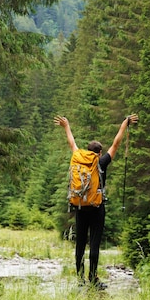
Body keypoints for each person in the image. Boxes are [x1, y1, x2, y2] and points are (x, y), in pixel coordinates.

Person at [54, 114, 139, 289]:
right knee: (94, 243)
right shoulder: (101, 162)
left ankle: (80, 280)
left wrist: (66, 126)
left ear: (87, 150)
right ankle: (93, 279)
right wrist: (125, 123)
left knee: (80, 244)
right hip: (96, 208)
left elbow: (71, 142)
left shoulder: (78, 157)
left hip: (79, 207)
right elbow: (116, 143)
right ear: (99, 153)